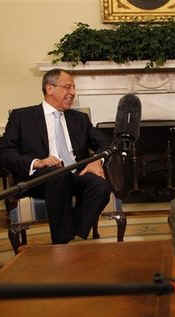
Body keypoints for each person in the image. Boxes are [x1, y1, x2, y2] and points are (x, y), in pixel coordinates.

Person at [0, 68, 112, 244]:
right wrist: (37, 162)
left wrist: (97, 160)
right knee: (57, 175)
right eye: (67, 87)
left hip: (75, 174)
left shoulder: (79, 119)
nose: (73, 93)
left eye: (74, 88)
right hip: (40, 179)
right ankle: (63, 243)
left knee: (101, 186)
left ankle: (70, 237)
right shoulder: (22, 117)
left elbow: (106, 143)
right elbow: (5, 152)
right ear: (49, 88)